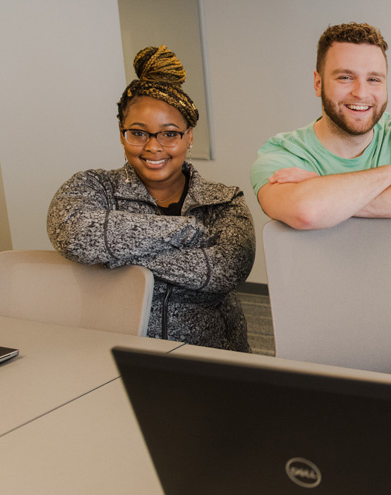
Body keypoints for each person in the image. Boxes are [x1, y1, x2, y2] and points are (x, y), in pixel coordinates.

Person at [47, 45, 255, 352]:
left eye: (169, 133)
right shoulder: (94, 186)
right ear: (122, 133)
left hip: (211, 357)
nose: (153, 147)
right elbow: (73, 233)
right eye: (138, 133)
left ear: (189, 136)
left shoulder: (223, 200)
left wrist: (112, 255)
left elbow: (224, 270)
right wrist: (185, 230)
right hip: (116, 353)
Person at [250, 22, 391, 230]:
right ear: (318, 83)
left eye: (373, 79)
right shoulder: (283, 153)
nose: (361, 93)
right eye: (345, 77)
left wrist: (326, 188)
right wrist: (390, 173)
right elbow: (307, 212)